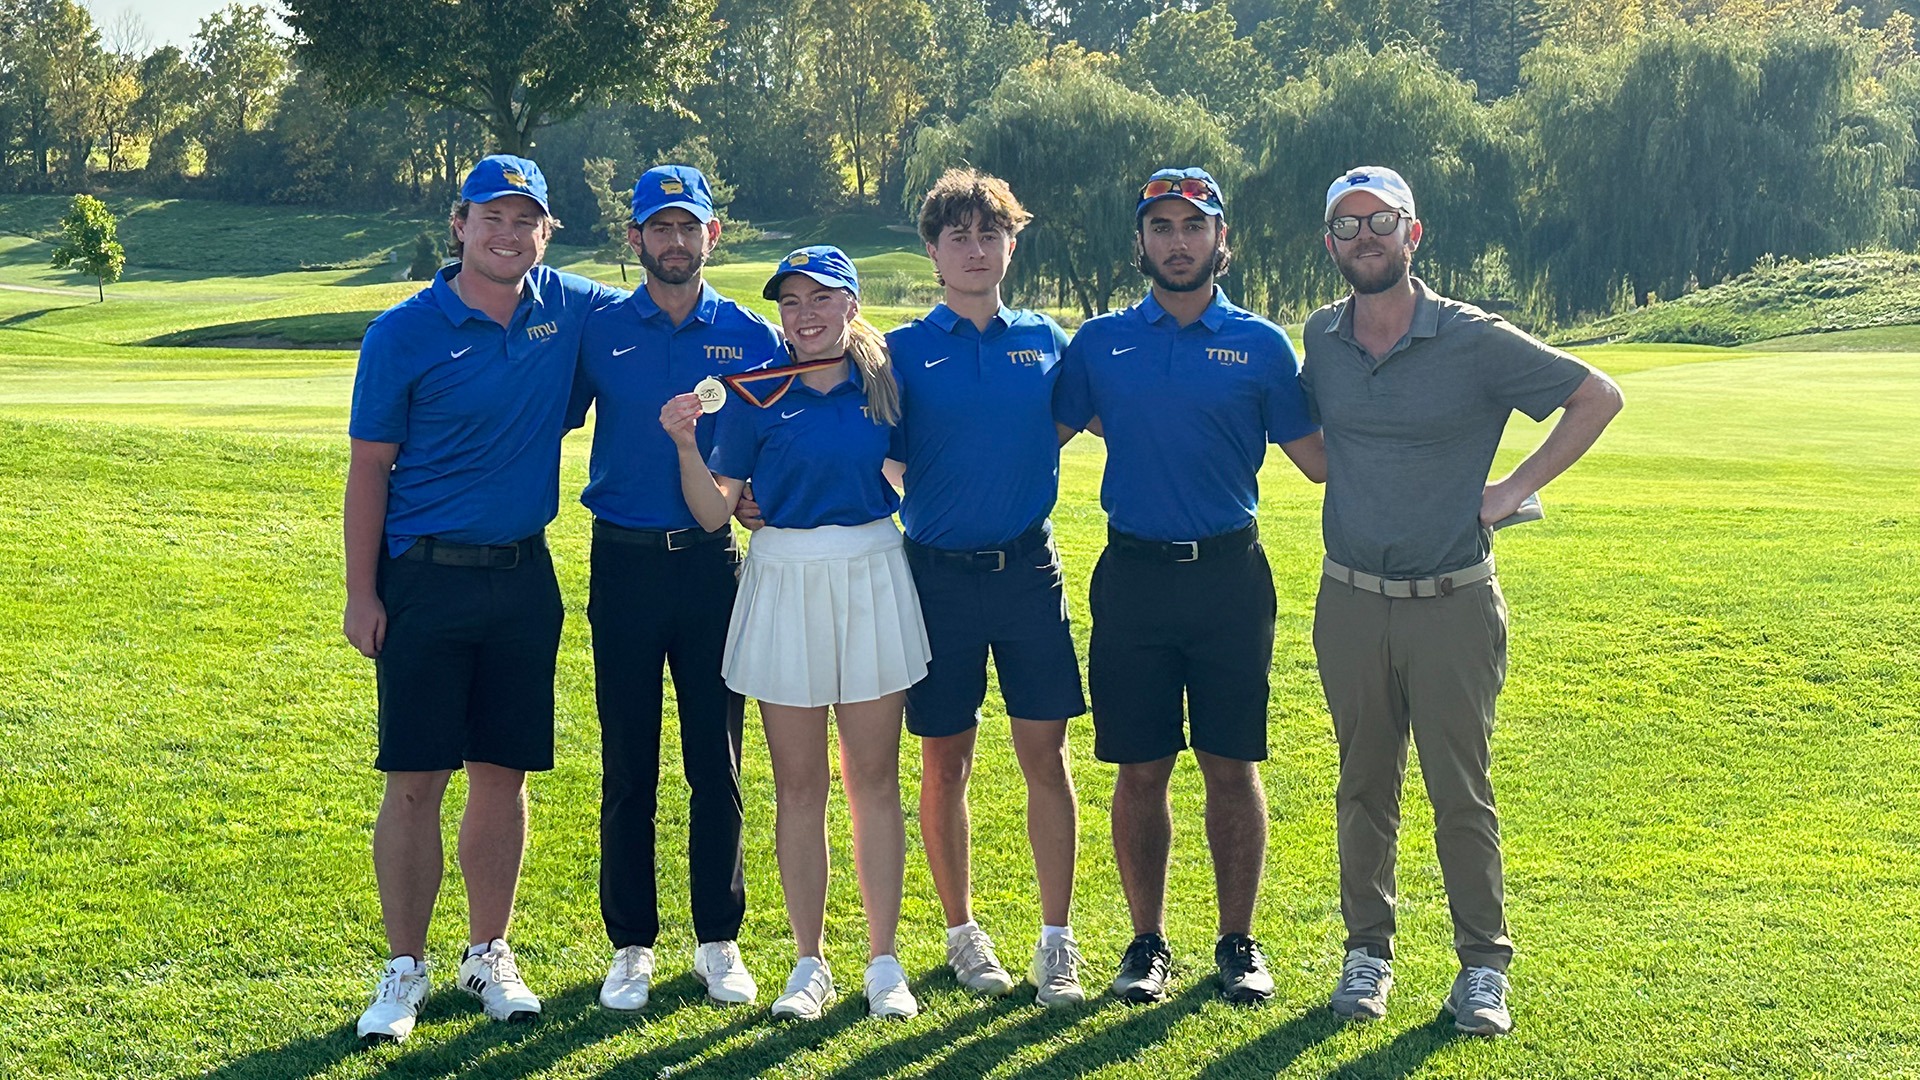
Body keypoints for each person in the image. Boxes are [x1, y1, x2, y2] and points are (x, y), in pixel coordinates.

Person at [1307, 166, 1622, 1036]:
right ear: (1330, 245)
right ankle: (1367, 953)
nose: (1364, 237)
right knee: (1363, 784)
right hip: (1351, 599)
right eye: (1346, 225)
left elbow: (1597, 395)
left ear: (1415, 233)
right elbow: (1311, 442)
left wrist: (1509, 488)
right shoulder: (1321, 338)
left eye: (1381, 221)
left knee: (1460, 792)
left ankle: (1483, 967)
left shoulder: (1474, 339)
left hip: (1452, 601)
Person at [343, 155, 618, 1042]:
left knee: (504, 774)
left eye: (524, 220)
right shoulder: (403, 332)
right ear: (457, 224)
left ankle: (487, 953)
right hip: (421, 579)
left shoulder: (570, 309)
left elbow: (672, 317)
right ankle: (403, 968)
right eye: (489, 218)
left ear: (547, 231)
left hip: (521, 579)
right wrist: (361, 591)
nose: (507, 234)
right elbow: (369, 468)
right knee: (416, 778)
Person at [1054, 167, 1323, 1005]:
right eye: (1161, 226)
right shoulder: (1099, 343)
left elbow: (1322, 463)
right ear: (1139, 242)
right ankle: (1147, 944)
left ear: (1221, 241)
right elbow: (1028, 437)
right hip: (1132, 577)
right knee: (1140, 769)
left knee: (1231, 765)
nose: (1178, 241)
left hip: (1230, 580)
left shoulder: (1263, 345)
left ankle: (1237, 942)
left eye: (1193, 226)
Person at [660, 246, 930, 1020]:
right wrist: (685, 445)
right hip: (783, 577)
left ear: (852, 305)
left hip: (873, 569)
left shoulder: (887, 388)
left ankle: (884, 963)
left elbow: (915, 477)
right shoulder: (754, 393)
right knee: (800, 785)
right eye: (792, 302)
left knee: (875, 781)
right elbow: (717, 511)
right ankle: (808, 963)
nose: (805, 315)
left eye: (822, 300)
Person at [568, 166, 778, 1011]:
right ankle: (630, 944)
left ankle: (718, 937)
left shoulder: (752, 334)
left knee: (715, 758)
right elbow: (544, 411)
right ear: (636, 240)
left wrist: (769, 495)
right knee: (628, 760)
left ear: (712, 236)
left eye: (689, 227)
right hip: (621, 562)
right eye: (659, 228)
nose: (675, 242)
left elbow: (785, 430)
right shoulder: (602, 330)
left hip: (707, 565)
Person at [887, 169, 1088, 1007]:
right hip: (934, 578)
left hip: (1027, 574)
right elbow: (874, 449)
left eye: (990, 233)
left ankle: (1056, 939)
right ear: (933, 252)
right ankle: (963, 932)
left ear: (1012, 242)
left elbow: (1061, 424)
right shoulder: (897, 350)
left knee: (1048, 755)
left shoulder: (1045, 338)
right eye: (958, 236)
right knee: (946, 761)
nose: (975, 249)